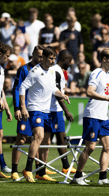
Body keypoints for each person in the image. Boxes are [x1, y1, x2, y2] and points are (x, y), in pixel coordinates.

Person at [19, 46, 70, 182]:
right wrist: (23, 107)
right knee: (39, 136)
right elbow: (22, 87)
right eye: (50, 58)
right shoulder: (35, 71)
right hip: (35, 108)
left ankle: (41, 171)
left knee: (45, 141)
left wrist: (63, 95)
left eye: (54, 58)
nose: (52, 61)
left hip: (47, 110)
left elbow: (53, 89)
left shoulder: (52, 72)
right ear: (43, 58)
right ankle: (28, 169)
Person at [72, 48, 109, 185]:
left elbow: (102, 94)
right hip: (92, 115)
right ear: (104, 59)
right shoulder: (96, 73)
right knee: (90, 147)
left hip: (103, 116)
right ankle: (77, 176)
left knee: (108, 146)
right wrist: (107, 98)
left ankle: (103, 178)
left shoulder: (108, 76)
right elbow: (89, 92)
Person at [11, 45, 44, 181]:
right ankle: (14, 170)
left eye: (43, 56)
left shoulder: (44, 70)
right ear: (33, 54)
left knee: (37, 138)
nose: (41, 58)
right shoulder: (24, 69)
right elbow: (17, 89)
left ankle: (33, 170)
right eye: (39, 55)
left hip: (38, 109)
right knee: (22, 139)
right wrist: (17, 108)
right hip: (25, 108)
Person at [50, 49, 75, 174]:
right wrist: (66, 110)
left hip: (57, 110)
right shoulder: (55, 71)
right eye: (69, 60)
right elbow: (56, 93)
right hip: (52, 109)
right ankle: (40, 168)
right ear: (64, 59)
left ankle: (65, 166)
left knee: (61, 137)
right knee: (45, 139)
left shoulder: (59, 71)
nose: (71, 63)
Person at [0, 42, 13, 178]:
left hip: (0, 108)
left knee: (0, 136)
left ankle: (2, 165)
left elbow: (1, 90)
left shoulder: (1, 69)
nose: (7, 58)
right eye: (7, 56)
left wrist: (7, 108)